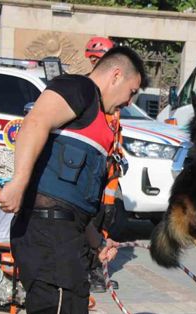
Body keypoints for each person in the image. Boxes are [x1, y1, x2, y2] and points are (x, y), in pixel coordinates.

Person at [0, 46, 147, 314]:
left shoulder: (99, 119)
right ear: (116, 75)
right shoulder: (78, 89)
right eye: (131, 92)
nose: (129, 102)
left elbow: (74, 202)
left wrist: (96, 242)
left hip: (63, 235)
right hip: (49, 238)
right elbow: (35, 122)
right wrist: (19, 182)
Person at [84, 36, 120, 293]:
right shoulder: (88, 92)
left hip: (110, 174)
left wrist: (120, 156)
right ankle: (90, 272)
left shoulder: (113, 96)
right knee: (90, 222)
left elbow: (116, 133)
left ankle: (97, 270)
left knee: (105, 220)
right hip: (94, 172)